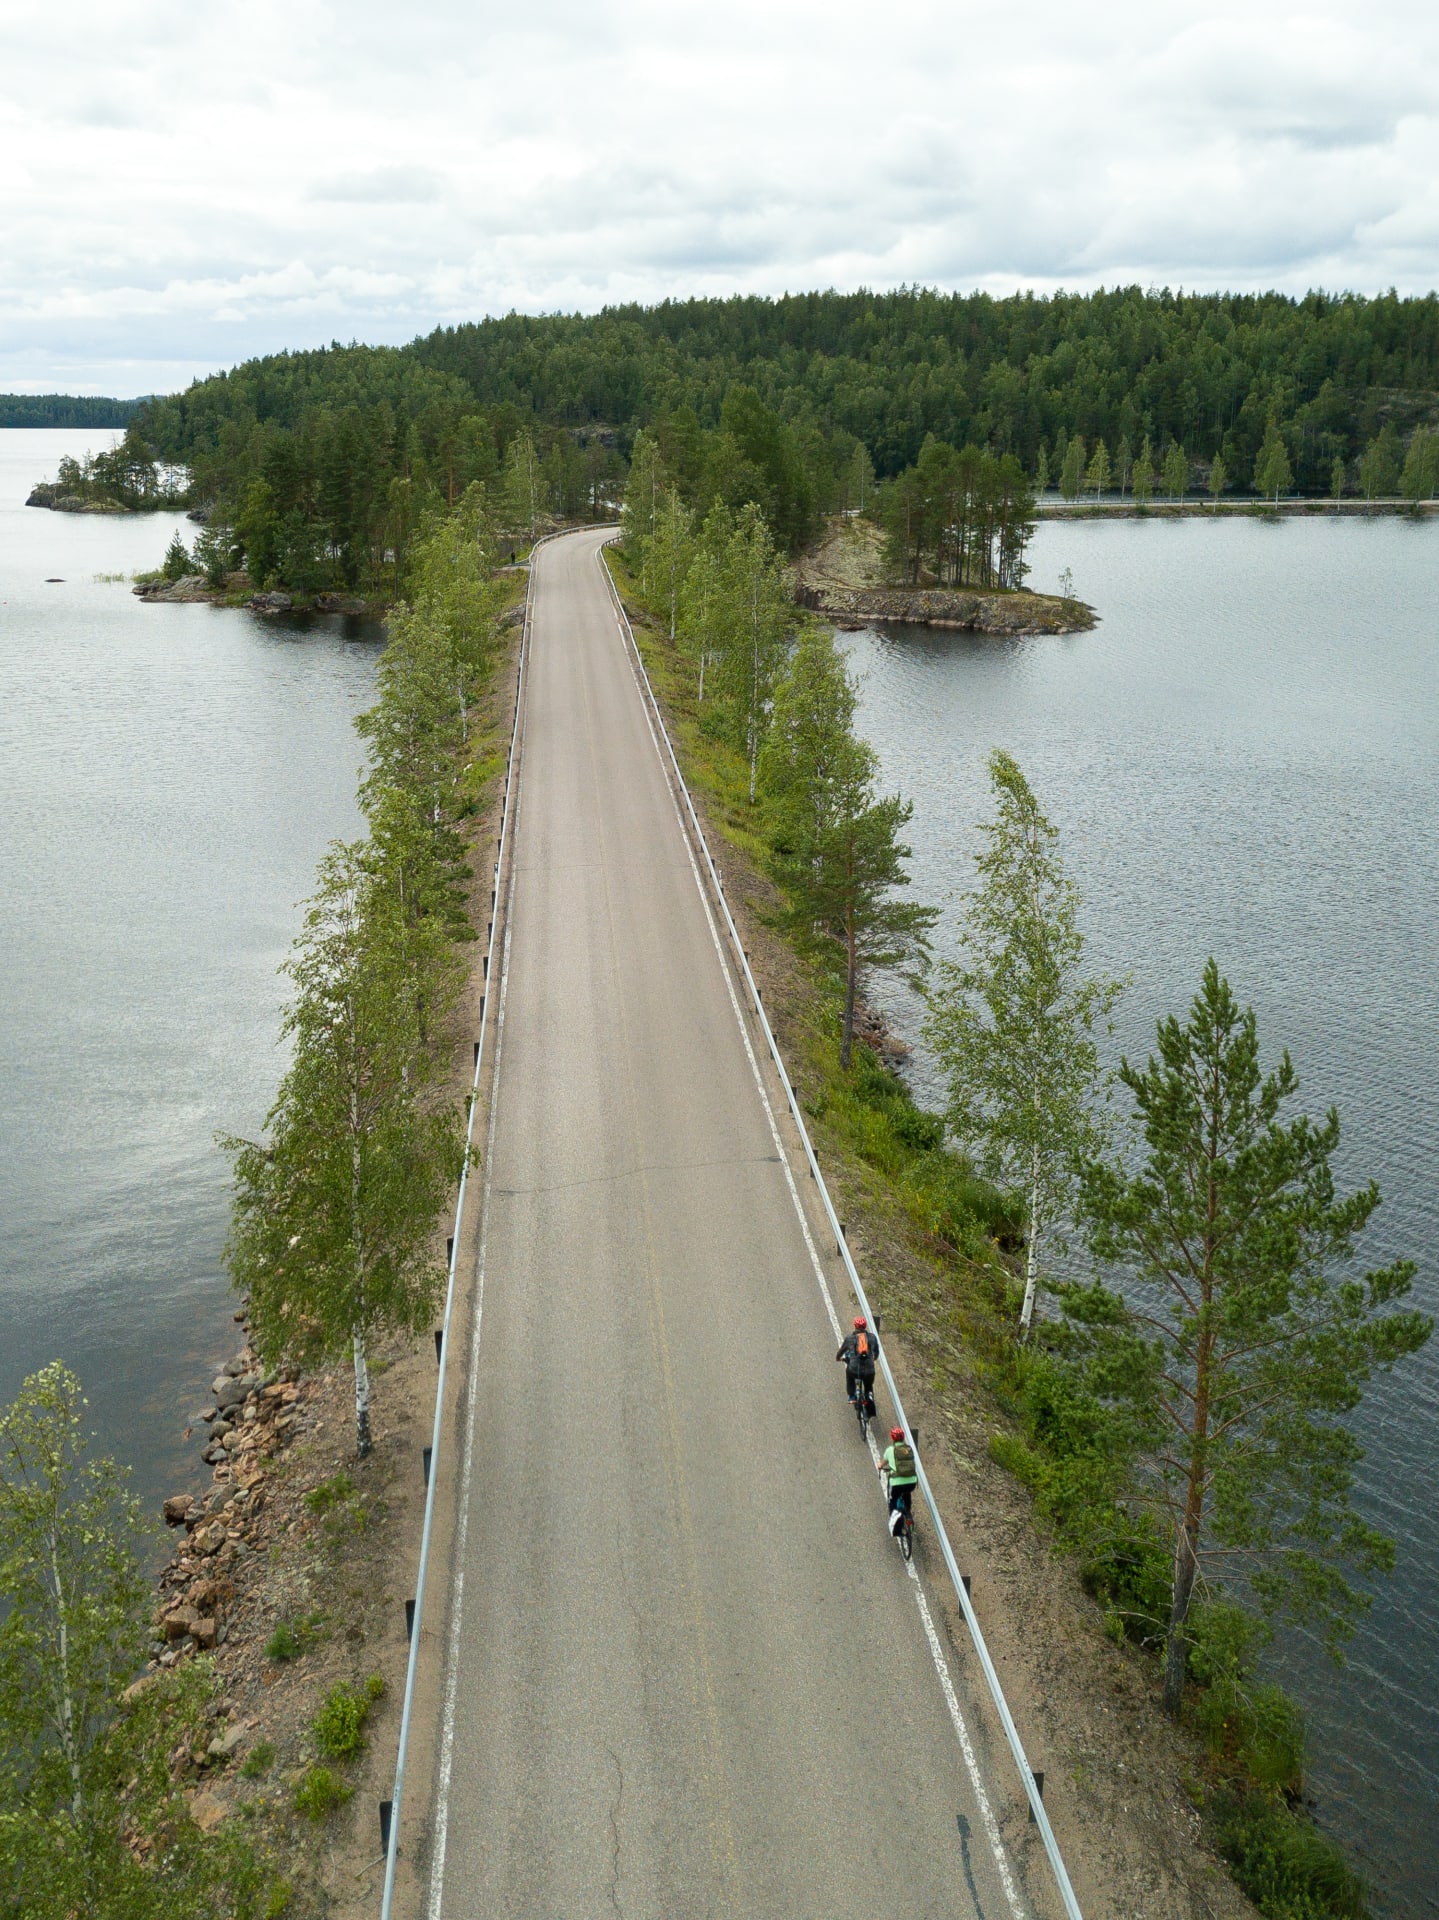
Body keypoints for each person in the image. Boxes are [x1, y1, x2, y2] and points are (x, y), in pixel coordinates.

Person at [836, 1316, 877, 1417]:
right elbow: (876, 1352)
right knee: (868, 1386)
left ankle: (852, 1396)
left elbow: (841, 1351)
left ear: (855, 1326)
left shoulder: (850, 1338)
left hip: (854, 1370)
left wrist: (838, 1358)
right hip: (869, 1370)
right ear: (865, 1326)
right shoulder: (872, 1337)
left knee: (849, 1376)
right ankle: (869, 1396)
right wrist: (873, 1358)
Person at [880, 1427, 918, 1535]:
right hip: (912, 1482)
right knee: (907, 1494)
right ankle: (908, 1515)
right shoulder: (909, 1449)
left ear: (893, 1438)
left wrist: (880, 1466)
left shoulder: (890, 1450)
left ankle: (895, 1523)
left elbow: (881, 1464)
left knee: (893, 1500)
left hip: (897, 1484)